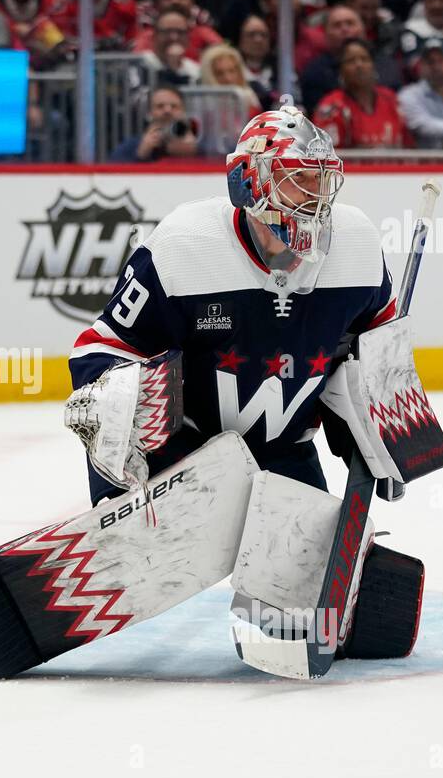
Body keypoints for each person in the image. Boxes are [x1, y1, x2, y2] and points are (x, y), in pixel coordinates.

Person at [71, 104, 394, 504]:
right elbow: (103, 348)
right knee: (116, 391)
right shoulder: (183, 245)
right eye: (298, 179)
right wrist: (115, 471)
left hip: (288, 455)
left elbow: (381, 351)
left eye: (322, 180)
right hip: (185, 459)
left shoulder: (357, 243)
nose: (316, 197)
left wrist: (390, 438)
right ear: (249, 182)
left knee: (312, 564)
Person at [313, 38, 411, 148]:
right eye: (351, 61)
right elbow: (328, 158)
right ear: (341, 69)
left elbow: (407, 148)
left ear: (373, 65)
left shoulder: (391, 99)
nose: (359, 65)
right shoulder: (331, 107)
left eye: (364, 59)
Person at [131, 0, 221, 59]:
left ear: (192, 1)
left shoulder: (205, 34)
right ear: (157, 3)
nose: (175, 1)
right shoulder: (146, 37)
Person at [108, 85, 202, 162]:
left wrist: (193, 154)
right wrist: (140, 155)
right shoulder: (131, 146)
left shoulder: (199, 144)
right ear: (149, 113)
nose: (167, 110)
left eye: (174, 106)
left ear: (183, 111)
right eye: (160, 106)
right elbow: (111, 175)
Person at [140, 10, 200, 86]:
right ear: (154, 36)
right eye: (167, 31)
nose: (174, 37)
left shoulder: (195, 71)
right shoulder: (140, 63)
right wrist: (171, 68)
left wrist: (175, 66)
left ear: (188, 38)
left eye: (180, 32)